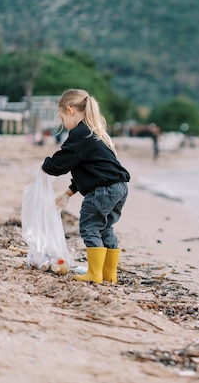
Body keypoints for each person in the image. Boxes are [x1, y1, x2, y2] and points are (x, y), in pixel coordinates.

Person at [42, 89, 130, 284]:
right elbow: (90, 172)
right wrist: (68, 193)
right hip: (119, 188)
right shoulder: (95, 134)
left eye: (62, 118)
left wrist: (45, 167)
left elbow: (62, 162)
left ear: (70, 110)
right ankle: (109, 274)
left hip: (104, 190)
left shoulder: (79, 134)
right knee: (106, 228)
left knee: (90, 226)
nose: (63, 124)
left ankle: (95, 273)